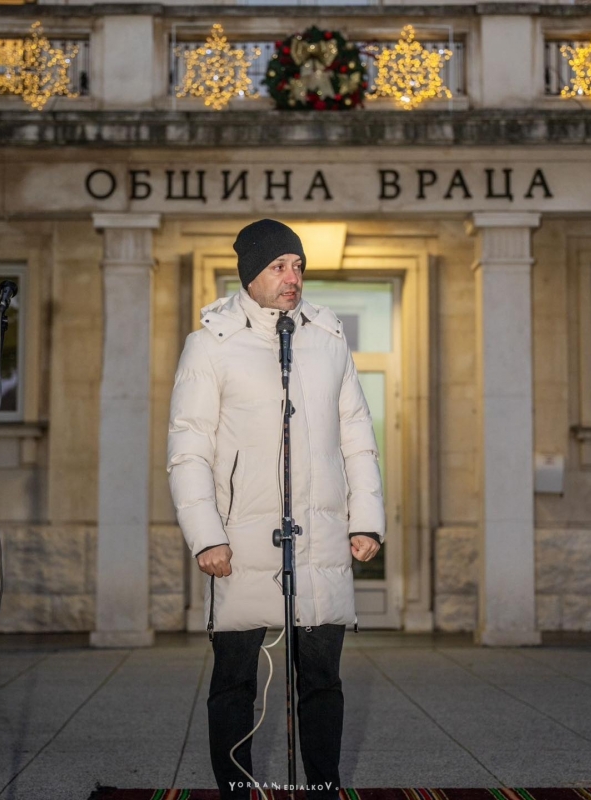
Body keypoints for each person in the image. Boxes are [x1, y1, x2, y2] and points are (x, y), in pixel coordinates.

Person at [167, 218, 385, 800]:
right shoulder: (211, 344)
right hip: (240, 540)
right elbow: (188, 449)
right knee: (234, 682)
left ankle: (324, 789)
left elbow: (357, 438)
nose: (293, 278)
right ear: (250, 275)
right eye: (278, 266)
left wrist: (365, 520)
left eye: (298, 266)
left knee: (322, 682)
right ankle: (235, 791)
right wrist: (206, 535)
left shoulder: (328, 339)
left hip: (319, 538)